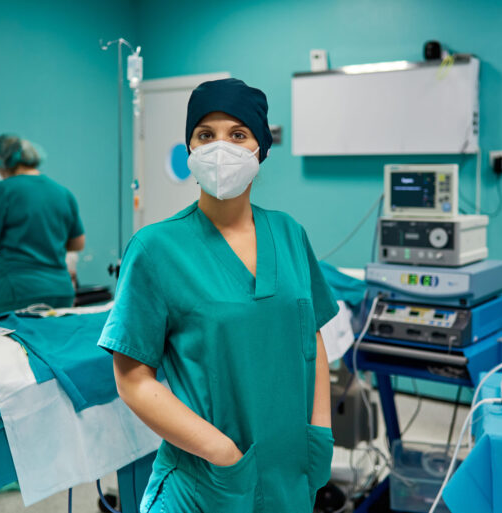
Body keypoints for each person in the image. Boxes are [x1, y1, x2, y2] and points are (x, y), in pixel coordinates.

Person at [98, 78, 339, 512]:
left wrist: (319, 431)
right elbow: (132, 379)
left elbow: (312, 336)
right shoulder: (156, 248)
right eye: (205, 135)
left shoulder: (288, 233)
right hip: (207, 481)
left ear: (260, 150)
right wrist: (222, 453)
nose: (220, 148)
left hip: (289, 475)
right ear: (190, 149)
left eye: (238, 134)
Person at [0, 134, 85, 315]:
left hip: (19, 290)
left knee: (18, 342)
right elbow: (77, 243)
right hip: (60, 289)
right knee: (53, 341)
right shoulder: (62, 192)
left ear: (7, 162)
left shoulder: (2, 190)